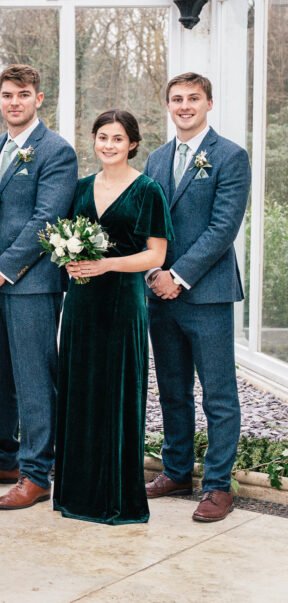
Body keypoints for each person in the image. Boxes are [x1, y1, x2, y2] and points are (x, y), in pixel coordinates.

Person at [53, 110, 173, 525]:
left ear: (132, 144)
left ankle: (115, 498)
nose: (109, 145)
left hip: (122, 302)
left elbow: (155, 255)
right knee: (81, 390)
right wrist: (67, 258)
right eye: (102, 137)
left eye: (118, 139)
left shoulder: (148, 190)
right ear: (94, 140)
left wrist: (105, 265)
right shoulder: (81, 188)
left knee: (116, 392)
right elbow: (64, 238)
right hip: (82, 304)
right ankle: (78, 495)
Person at [143, 73, 250, 522]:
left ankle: (218, 486)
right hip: (158, 294)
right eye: (176, 99)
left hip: (206, 295)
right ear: (168, 105)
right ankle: (176, 470)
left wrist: (179, 276)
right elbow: (144, 222)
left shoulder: (230, 156)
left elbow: (223, 228)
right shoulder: (155, 158)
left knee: (219, 395)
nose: (184, 106)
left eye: (193, 98)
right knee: (172, 389)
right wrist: (153, 272)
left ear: (209, 102)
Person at [0, 64, 78, 510]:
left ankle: (36, 474)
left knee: (34, 378)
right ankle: (4, 457)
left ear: (39, 99)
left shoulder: (57, 151)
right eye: (7, 95)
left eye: (23, 94)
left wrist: (5, 267)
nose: (14, 102)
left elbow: (46, 219)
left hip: (30, 282)